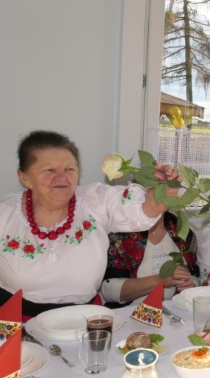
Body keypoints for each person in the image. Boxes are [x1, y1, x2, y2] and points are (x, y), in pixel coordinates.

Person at [0, 130, 179, 318]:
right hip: (15, 321)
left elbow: (143, 209)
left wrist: (165, 189)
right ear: (25, 178)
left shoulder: (95, 201)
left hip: (86, 320)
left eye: (70, 169)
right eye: (49, 170)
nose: (61, 177)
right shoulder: (5, 213)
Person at [101, 211, 199, 306]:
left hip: (176, 311)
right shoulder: (119, 233)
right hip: (129, 313)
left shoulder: (183, 232)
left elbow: (195, 276)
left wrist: (191, 285)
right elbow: (107, 291)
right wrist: (160, 280)